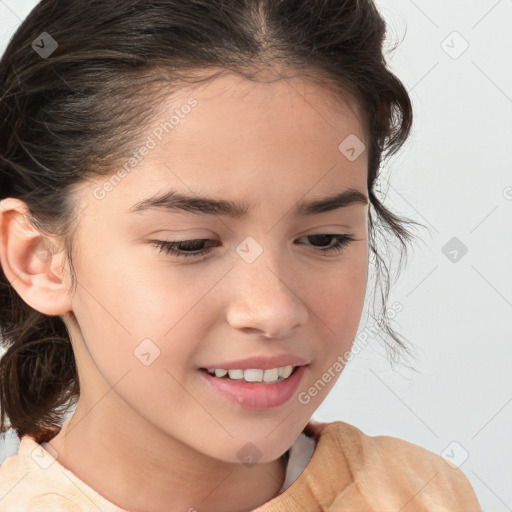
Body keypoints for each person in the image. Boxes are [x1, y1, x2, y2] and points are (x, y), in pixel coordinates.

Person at [0, 0, 481, 510]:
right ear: (41, 259)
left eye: (324, 239)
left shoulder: (419, 495)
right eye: (190, 244)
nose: (273, 310)